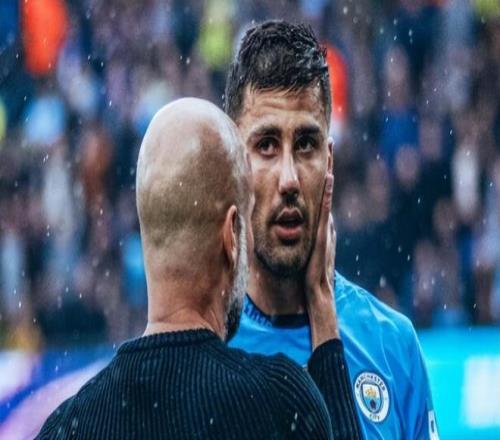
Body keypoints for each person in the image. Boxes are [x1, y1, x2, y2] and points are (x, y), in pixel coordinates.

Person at [36, 98, 361, 439]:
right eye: (247, 221)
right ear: (231, 235)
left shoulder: (64, 428)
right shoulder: (280, 402)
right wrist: (323, 310)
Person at [225, 20, 439, 440]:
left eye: (305, 144)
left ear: (329, 163)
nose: (289, 178)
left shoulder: (393, 347)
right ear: (234, 162)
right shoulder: (205, 351)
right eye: (266, 145)